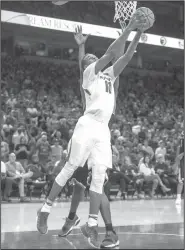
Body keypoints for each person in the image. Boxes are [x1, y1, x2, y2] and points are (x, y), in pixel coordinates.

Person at [37, 12, 148, 248]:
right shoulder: (88, 75)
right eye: (88, 57)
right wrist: (129, 27)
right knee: (71, 167)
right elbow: (110, 53)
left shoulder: (108, 75)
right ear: (86, 65)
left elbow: (125, 56)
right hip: (87, 124)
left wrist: (139, 32)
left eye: (91, 55)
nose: (90, 56)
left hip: (103, 130)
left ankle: (92, 224)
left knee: (97, 178)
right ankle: (45, 209)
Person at [175, 132, 184, 205]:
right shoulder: (181, 135)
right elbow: (178, 156)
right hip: (182, 162)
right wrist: (177, 164)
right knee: (181, 181)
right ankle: (178, 198)